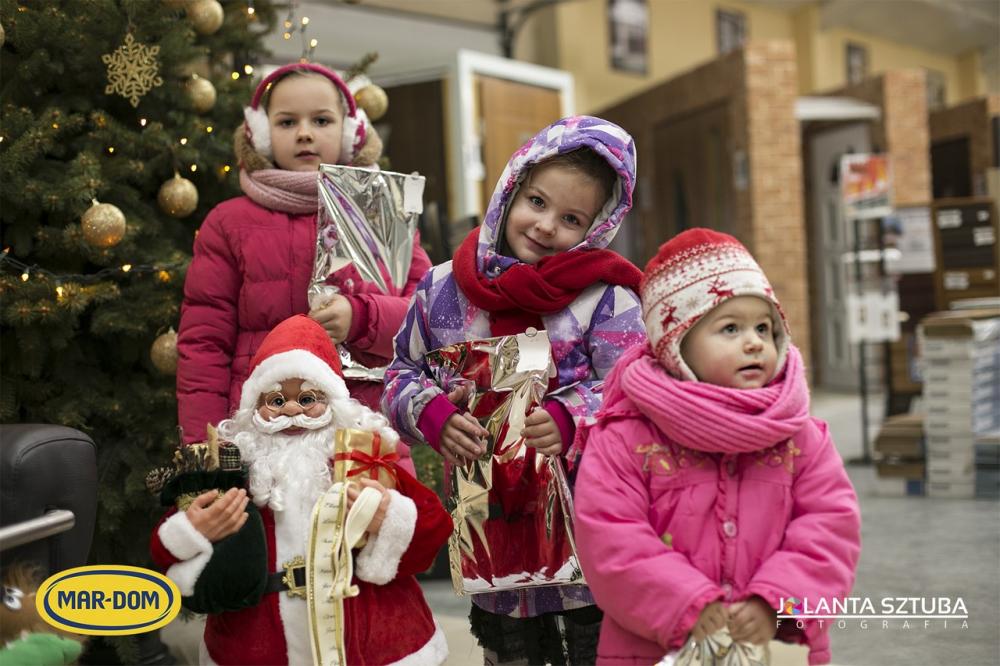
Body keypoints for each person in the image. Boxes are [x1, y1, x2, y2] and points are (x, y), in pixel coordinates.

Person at [382, 116, 648, 665]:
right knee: (510, 653)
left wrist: (573, 415)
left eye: (571, 218)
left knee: (594, 646)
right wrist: (431, 413)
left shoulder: (605, 300)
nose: (546, 225)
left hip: (585, 521)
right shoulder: (443, 289)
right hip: (492, 524)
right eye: (537, 201)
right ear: (510, 189)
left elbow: (635, 389)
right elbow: (401, 371)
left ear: (598, 227)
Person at [572, 228, 861, 665]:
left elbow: (830, 529)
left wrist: (778, 602)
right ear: (676, 346)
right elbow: (610, 537)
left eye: (764, 327)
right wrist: (685, 601)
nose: (754, 342)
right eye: (730, 328)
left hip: (771, 646)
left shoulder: (800, 436)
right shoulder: (625, 437)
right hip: (651, 650)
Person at [176, 62, 431, 478]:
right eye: (287, 121)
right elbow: (204, 344)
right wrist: (203, 443)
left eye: (322, 120)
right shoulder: (228, 223)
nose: (305, 132)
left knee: (367, 535)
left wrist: (362, 316)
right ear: (259, 134)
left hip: (363, 434)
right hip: (261, 434)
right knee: (277, 539)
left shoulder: (382, 218)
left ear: (351, 132)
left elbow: (426, 317)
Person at [150, 315, 452, 665]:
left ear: (333, 402)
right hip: (256, 646)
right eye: (276, 401)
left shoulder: (362, 458)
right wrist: (192, 530)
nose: (292, 410)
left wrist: (389, 518)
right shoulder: (233, 471)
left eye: (308, 398)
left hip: (370, 643)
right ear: (255, 408)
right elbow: (162, 548)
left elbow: (434, 525)